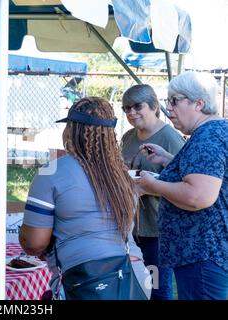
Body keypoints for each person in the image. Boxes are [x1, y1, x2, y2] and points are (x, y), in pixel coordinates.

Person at [19, 97, 151, 300]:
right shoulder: (121, 173)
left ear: (71, 130)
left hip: (86, 283)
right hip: (134, 278)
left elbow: (34, 243)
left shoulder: (52, 171)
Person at [137, 71, 228, 300]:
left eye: (174, 101)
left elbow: (199, 196)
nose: (168, 109)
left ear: (199, 103)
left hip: (201, 254)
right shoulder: (214, 132)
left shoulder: (207, 137)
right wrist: (169, 160)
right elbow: (206, 175)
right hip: (205, 253)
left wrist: (153, 185)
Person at [120, 84, 185, 300]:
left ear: (154, 106)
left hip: (158, 227)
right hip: (130, 224)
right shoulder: (128, 137)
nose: (131, 113)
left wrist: (150, 187)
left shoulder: (170, 138)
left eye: (138, 106)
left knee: (157, 286)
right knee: (132, 282)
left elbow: (185, 184)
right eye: (127, 108)